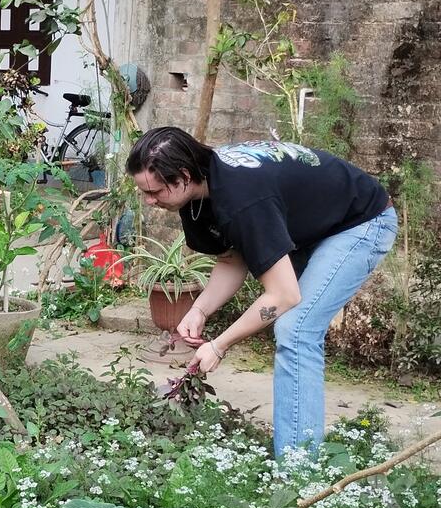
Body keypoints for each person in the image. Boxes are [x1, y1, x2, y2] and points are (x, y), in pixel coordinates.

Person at [126, 127, 398, 456]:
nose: (149, 201)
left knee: (296, 329)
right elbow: (232, 259)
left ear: (183, 176)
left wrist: (219, 345)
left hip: (360, 221)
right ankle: (297, 455)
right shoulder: (199, 194)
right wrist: (199, 310)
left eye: (154, 191)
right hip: (312, 226)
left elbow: (283, 296)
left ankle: (298, 469)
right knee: (292, 324)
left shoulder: (242, 198)